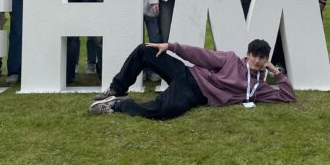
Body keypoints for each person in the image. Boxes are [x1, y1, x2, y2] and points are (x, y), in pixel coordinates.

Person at [88, 39, 295, 119]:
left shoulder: (260, 87)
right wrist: (171, 47)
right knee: (145, 50)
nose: (257, 61)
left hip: (195, 94)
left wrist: (276, 72)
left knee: (164, 111)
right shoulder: (231, 59)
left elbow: (288, 96)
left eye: (262, 58)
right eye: (255, 56)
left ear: (266, 59)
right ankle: (118, 89)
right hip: (188, 75)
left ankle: (117, 105)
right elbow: (202, 55)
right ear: (248, 54)